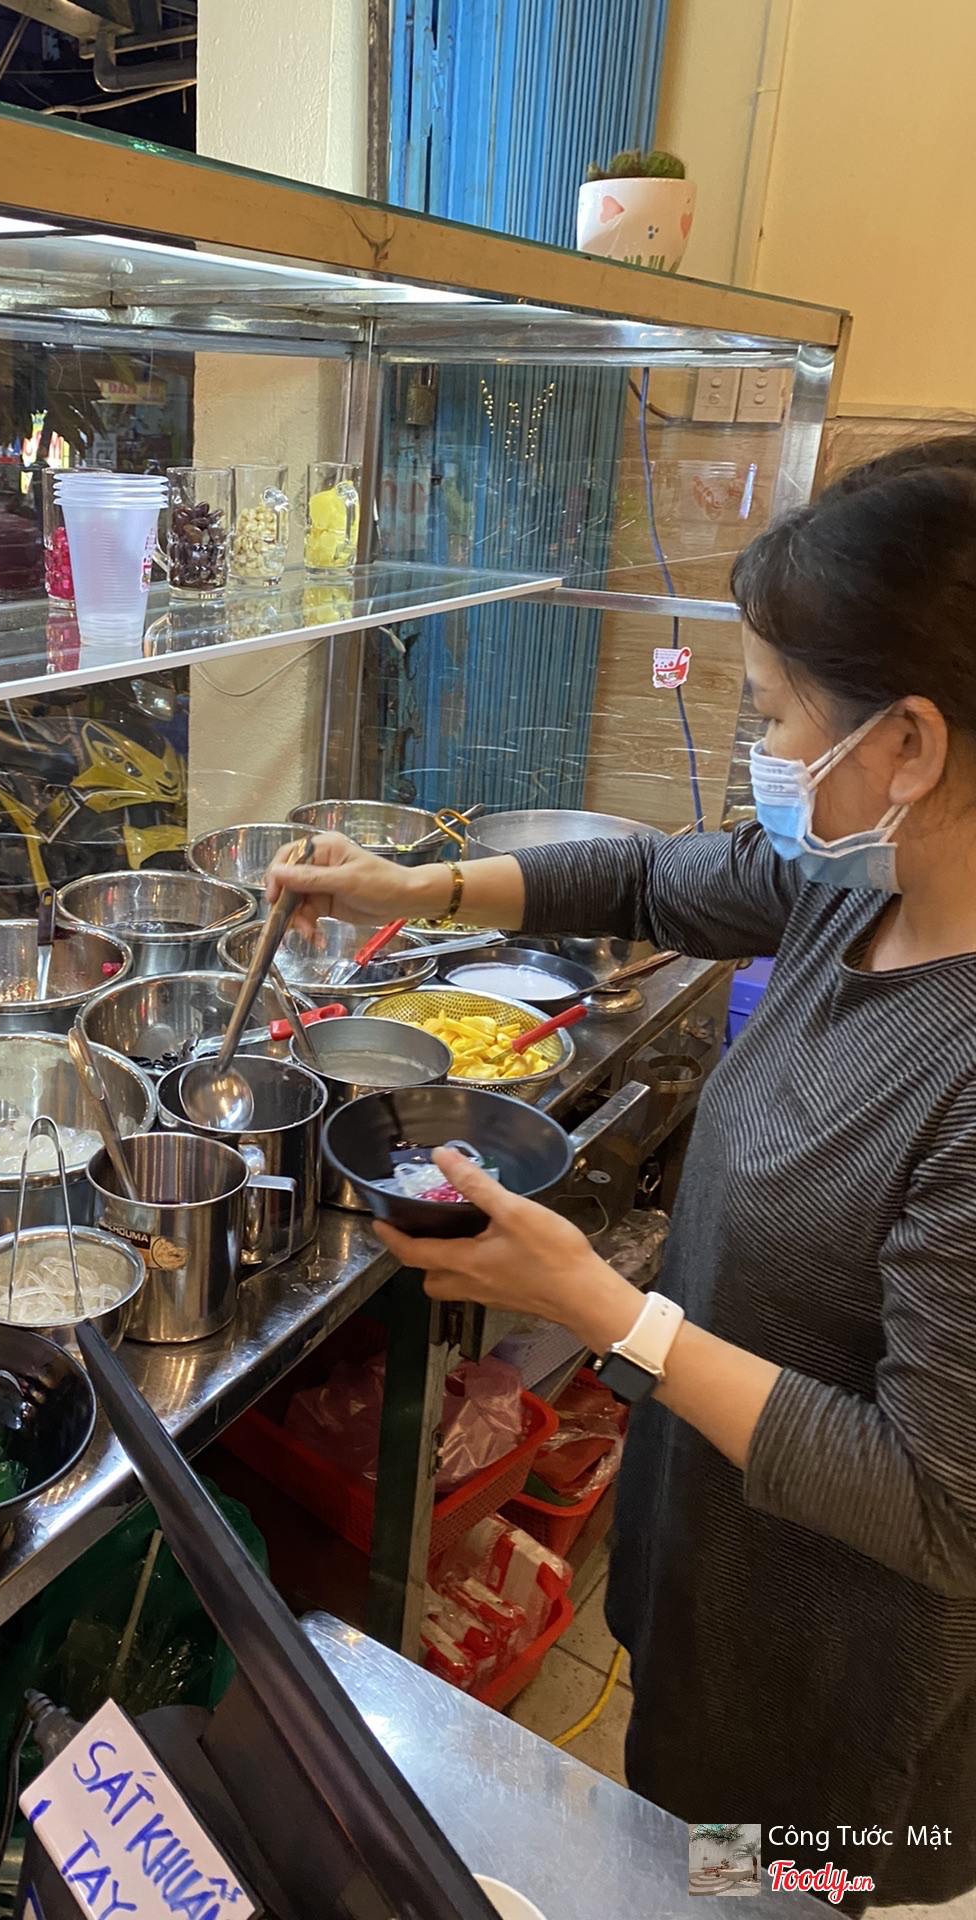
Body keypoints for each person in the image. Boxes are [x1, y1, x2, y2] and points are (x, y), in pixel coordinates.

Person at [266, 441, 976, 1910]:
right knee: (676, 1858)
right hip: (713, 1582)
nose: (763, 749)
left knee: (756, 1893)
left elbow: (937, 1501)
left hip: (841, 1712)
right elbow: (647, 878)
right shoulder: (854, 884)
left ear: (909, 744)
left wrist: (605, 1307)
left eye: (773, 714)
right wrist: (412, 887)